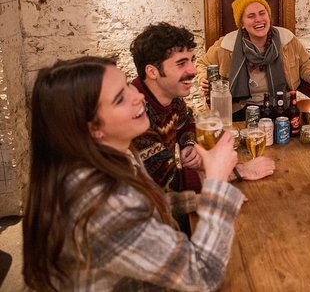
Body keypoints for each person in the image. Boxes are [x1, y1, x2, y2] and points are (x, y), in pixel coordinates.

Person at [23, 56, 243, 291]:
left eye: (128, 85)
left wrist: (193, 201)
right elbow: (203, 275)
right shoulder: (99, 201)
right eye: (120, 99)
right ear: (93, 129)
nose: (138, 96)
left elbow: (140, 207)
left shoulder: (109, 158)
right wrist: (216, 180)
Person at [130, 23, 275, 195]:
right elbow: (171, 183)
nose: (192, 70)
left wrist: (188, 144)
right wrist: (240, 171)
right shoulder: (135, 114)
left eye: (191, 60)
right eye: (181, 63)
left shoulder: (170, 95)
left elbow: (187, 123)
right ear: (152, 71)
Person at [196, 0, 310, 121]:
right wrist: (203, 78)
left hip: (281, 106)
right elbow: (202, 63)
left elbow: (305, 64)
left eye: (262, 13)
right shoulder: (226, 45)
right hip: (241, 109)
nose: (258, 20)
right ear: (242, 24)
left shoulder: (287, 40)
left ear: (268, 16)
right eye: (251, 16)